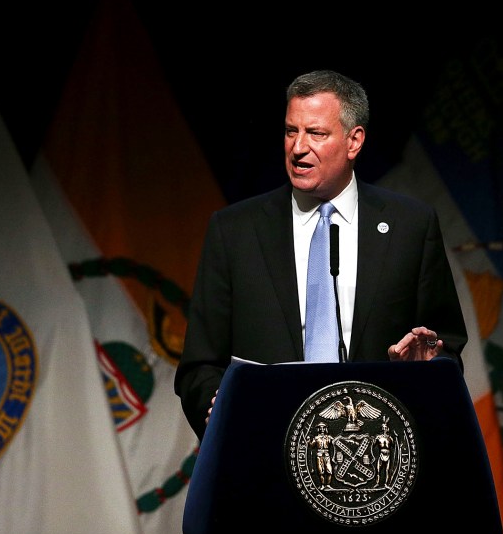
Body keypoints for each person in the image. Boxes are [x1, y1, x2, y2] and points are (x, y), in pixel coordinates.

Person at [174, 69, 468, 441]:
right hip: (264, 448)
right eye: (290, 131)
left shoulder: (411, 226)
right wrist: (218, 408)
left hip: (377, 456)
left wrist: (427, 369)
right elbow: (199, 364)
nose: (298, 148)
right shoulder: (234, 231)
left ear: (353, 141)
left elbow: (446, 345)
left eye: (316, 133)